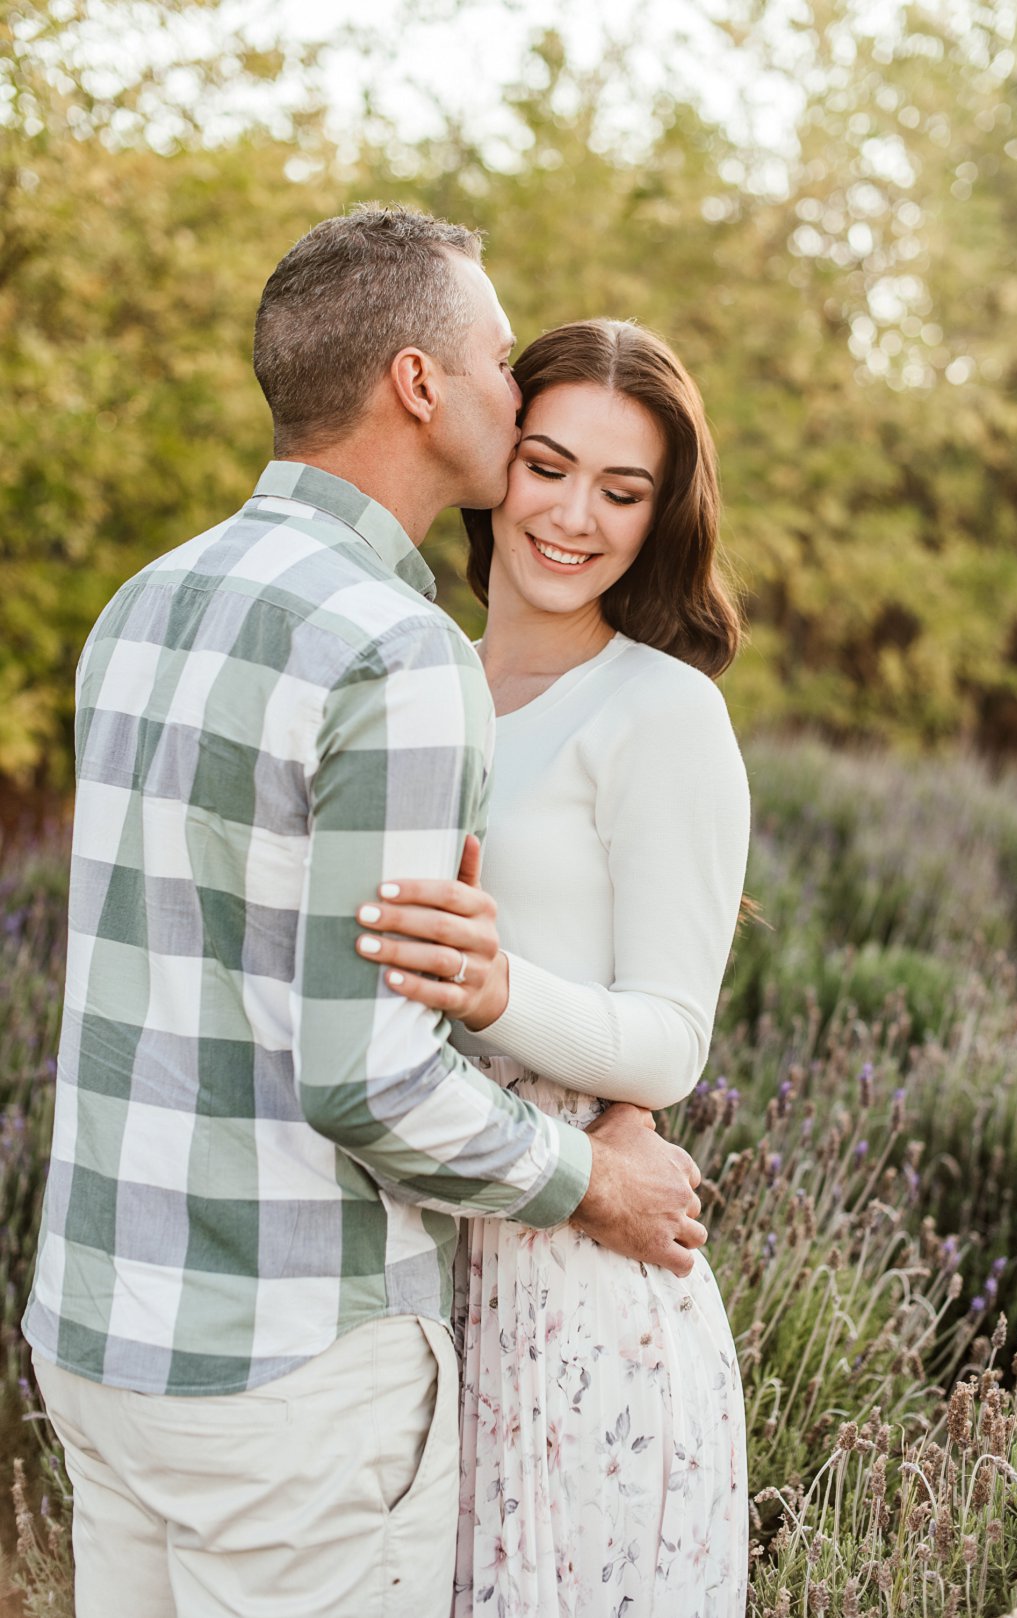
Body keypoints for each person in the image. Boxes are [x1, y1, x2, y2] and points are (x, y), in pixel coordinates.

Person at [21, 208, 710, 1618]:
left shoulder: (146, 603)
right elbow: (366, 1075)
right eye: (499, 358)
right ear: (417, 382)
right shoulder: (395, 650)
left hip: (98, 1334)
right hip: (287, 1371)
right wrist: (599, 1179)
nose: (513, 391)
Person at [351, 319, 751, 1616]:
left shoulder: (662, 709)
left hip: (578, 1284)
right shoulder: (424, 682)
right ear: (495, 465)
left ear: (657, 520)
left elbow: (672, 1041)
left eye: (622, 490)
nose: (574, 514)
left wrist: (496, 988)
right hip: (403, 1254)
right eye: (548, 464)